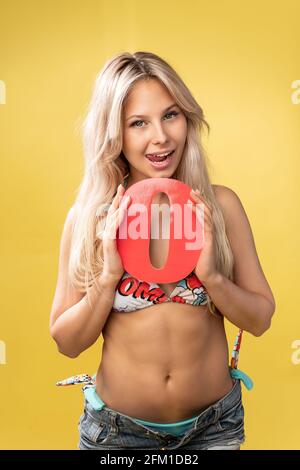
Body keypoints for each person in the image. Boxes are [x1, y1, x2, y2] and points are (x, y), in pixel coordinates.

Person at [49, 51, 276, 450]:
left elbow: (260, 319)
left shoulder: (220, 207)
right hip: (116, 434)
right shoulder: (89, 218)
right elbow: (67, 343)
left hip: (214, 428)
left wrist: (214, 279)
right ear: (113, 134)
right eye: (139, 123)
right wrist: (107, 279)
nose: (161, 136)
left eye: (171, 115)